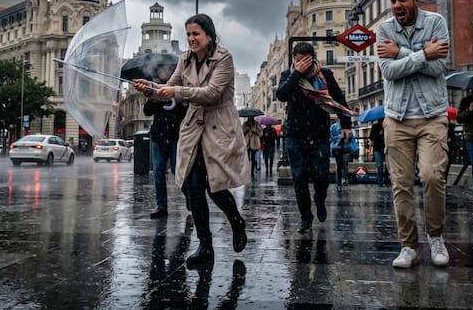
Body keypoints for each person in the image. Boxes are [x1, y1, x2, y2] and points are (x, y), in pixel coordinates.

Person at [134, 14, 250, 269]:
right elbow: (170, 88)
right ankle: (205, 246)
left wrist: (176, 91)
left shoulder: (224, 58)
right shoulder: (185, 59)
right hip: (192, 127)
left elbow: (212, 93)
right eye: (188, 34)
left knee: (215, 187)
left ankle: (236, 221)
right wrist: (151, 90)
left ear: (208, 34)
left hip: (218, 126)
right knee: (194, 186)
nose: (191, 39)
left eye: (195, 33)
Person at [376, 0, 451, 268]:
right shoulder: (384, 30)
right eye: (393, 1)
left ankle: (436, 238)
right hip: (396, 117)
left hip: (432, 115)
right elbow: (389, 72)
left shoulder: (436, 23)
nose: (397, 6)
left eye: (402, 0)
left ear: (416, 0)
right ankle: (408, 245)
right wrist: (422, 54)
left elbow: (439, 67)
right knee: (401, 184)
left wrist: (403, 54)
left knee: (433, 177)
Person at [276, 42, 351, 232]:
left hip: (319, 134)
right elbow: (282, 95)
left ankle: (320, 199)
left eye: (304, 60)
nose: (300, 63)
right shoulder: (288, 75)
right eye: (297, 60)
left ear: (312, 59)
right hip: (295, 134)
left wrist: (346, 124)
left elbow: (338, 99)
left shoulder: (324, 74)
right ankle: (305, 217)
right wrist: (297, 74)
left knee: (321, 176)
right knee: (299, 177)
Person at [144, 91, 188, 219]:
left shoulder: (178, 92)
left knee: (177, 170)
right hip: (159, 137)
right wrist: (153, 99)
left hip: (175, 137)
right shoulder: (157, 92)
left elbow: (185, 113)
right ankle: (161, 206)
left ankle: (189, 196)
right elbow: (147, 111)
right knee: (158, 171)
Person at [330, 120, 358, 188]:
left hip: (346, 148)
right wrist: (339, 136)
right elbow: (331, 137)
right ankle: (338, 181)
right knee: (338, 166)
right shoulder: (334, 126)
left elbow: (352, 138)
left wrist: (354, 147)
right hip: (337, 149)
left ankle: (344, 180)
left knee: (345, 164)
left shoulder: (348, 126)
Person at [369, 121, 387, 186]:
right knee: (379, 166)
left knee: (388, 167)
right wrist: (379, 135)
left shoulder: (388, 126)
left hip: (387, 148)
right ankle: (380, 182)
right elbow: (371, 137)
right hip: (378, 148)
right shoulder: (375, 126)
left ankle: (386, 180)